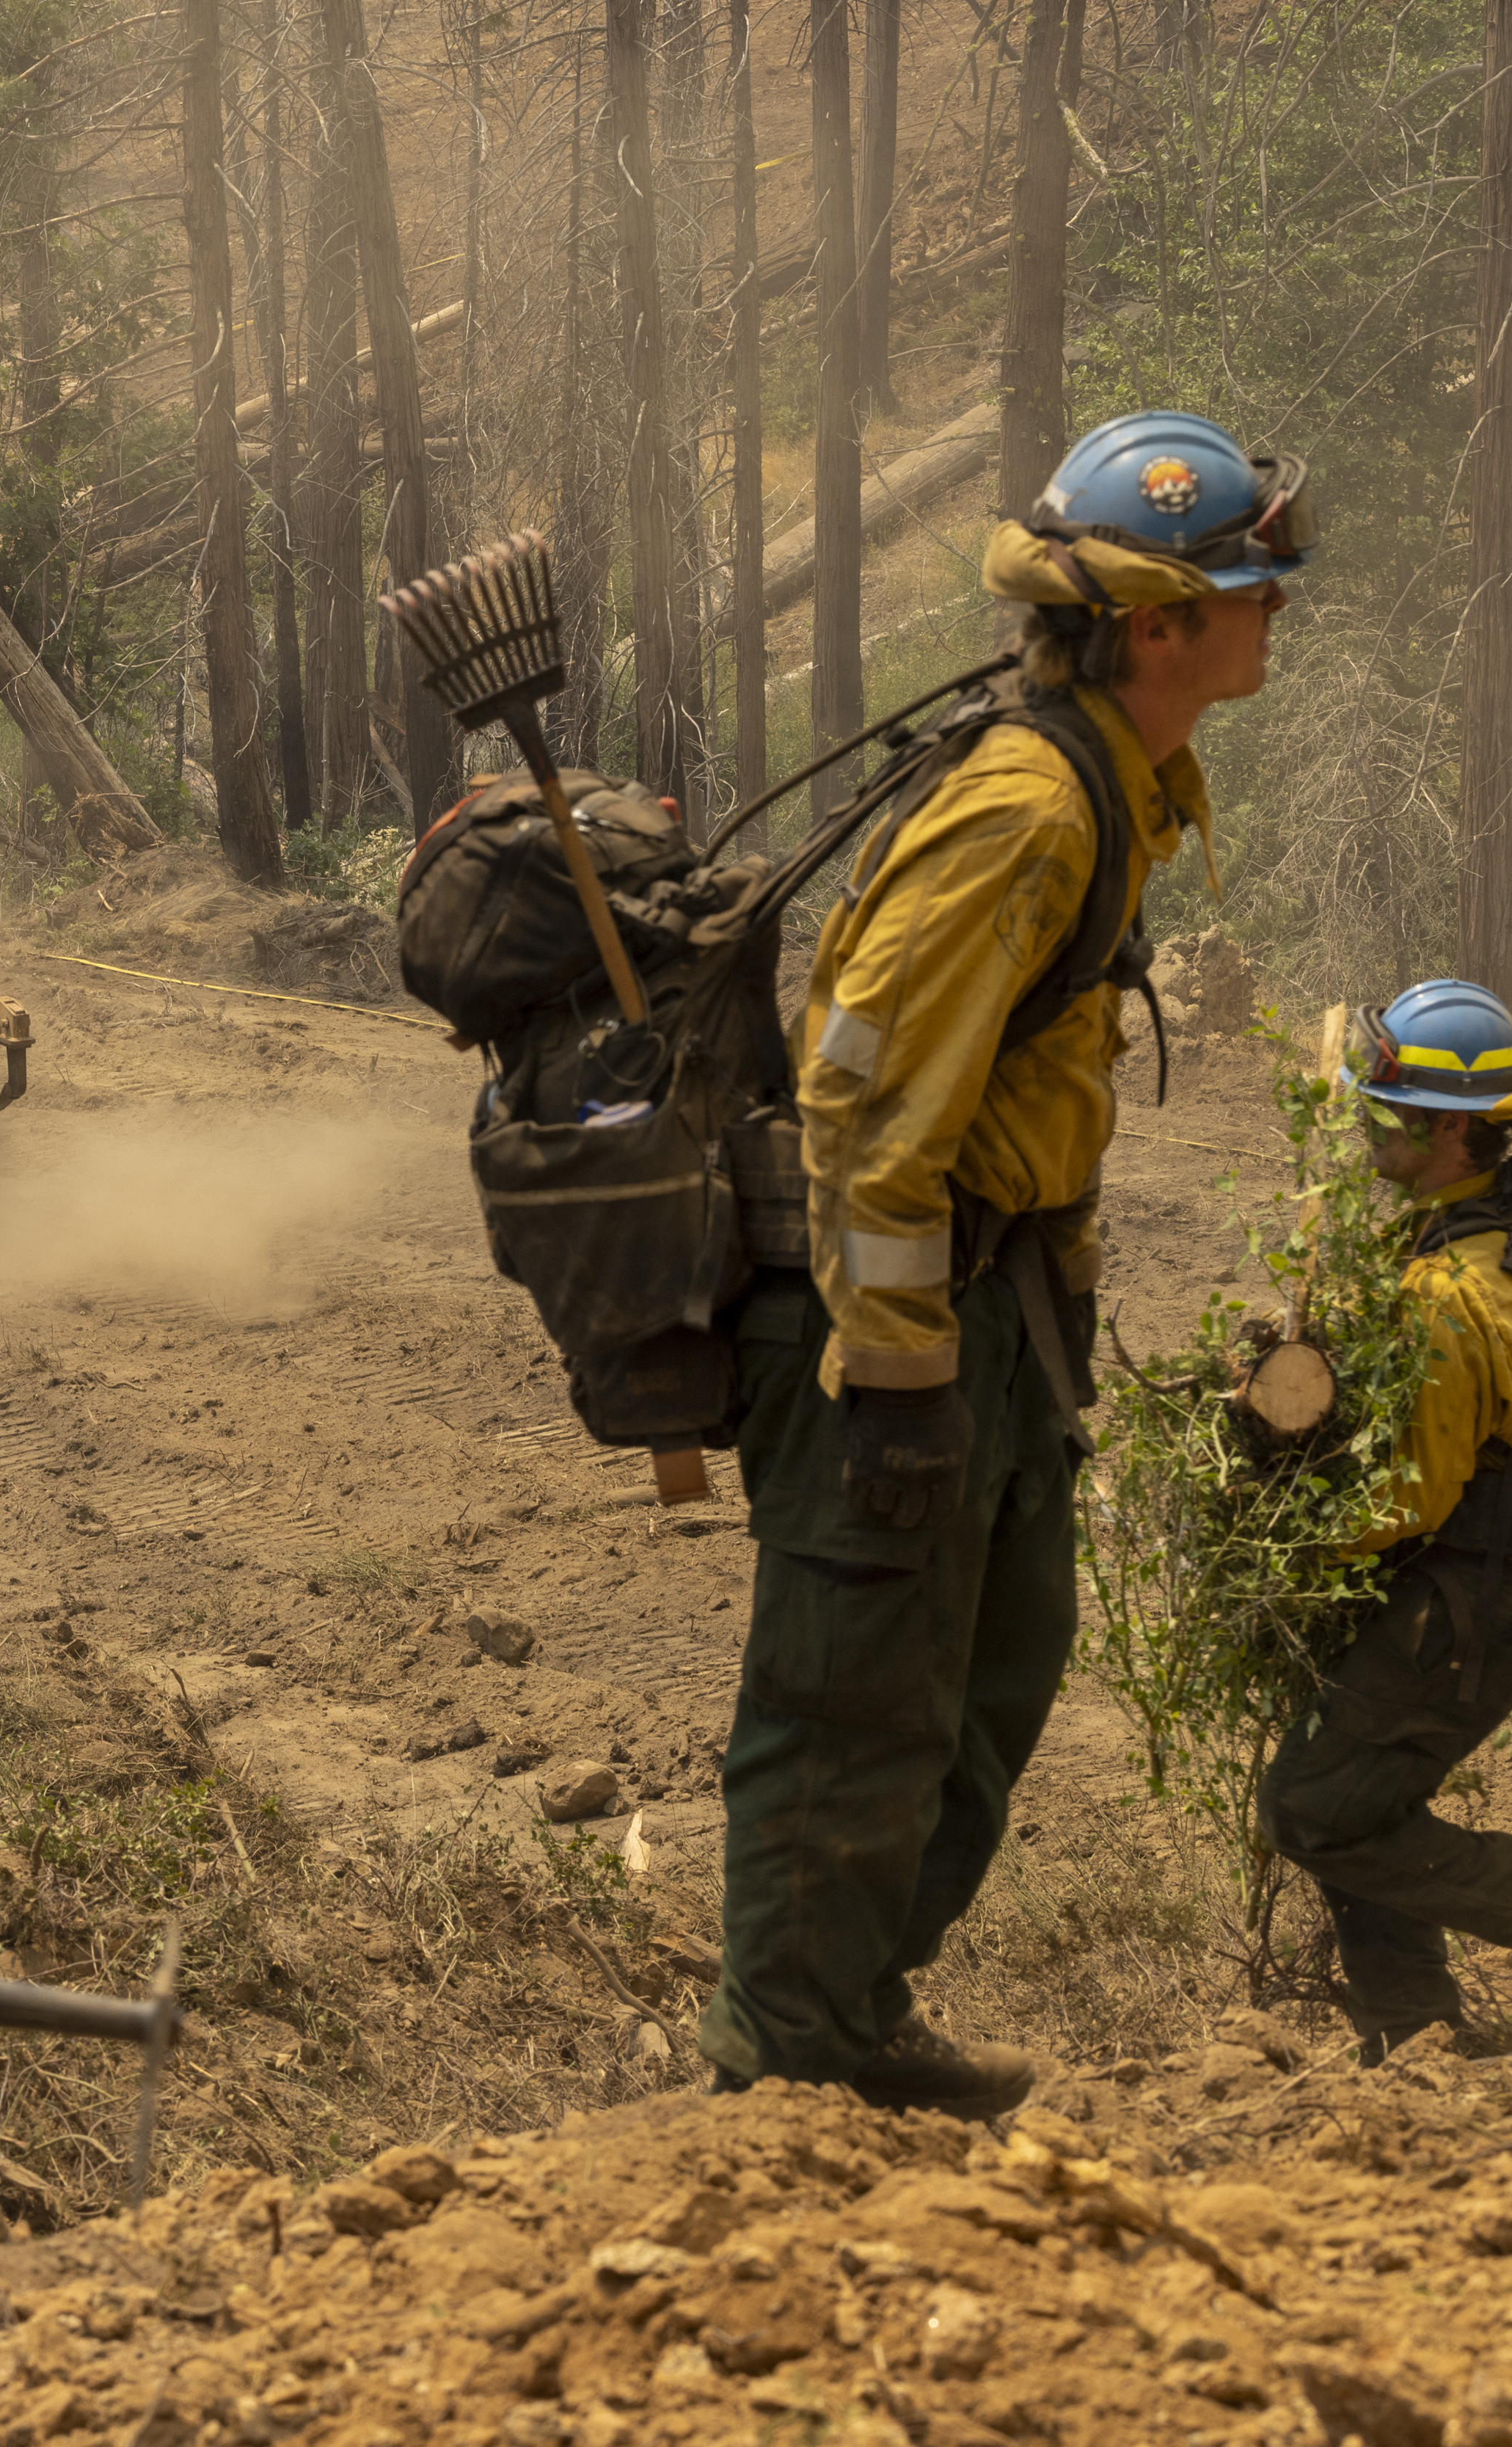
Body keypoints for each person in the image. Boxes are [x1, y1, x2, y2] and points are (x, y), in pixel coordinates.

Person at [704, 410, 1306, 2119]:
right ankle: (781, 2087)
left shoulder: (1116, 782)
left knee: (988, 1671)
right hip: (889, 1322)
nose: (1276, 616)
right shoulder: (1032, 810)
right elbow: (861, 1091)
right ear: (1156, 623)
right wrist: (895, 1372)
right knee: (854, 1701)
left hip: (995, 1312)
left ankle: (852, 2018)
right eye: (1249, 589)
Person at [1258, 979, 1512, 2061]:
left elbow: (1412, 1494)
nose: (1368, 1125)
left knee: (1313, 1804)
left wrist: (1294, 1549)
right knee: (1363, 1790)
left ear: (1456, 1130)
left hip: (1472, 1594)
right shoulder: (1463, 1243)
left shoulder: (1455, 1295)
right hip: (1473, 1583)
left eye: (1390, 1114)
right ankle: (1411, 2031)